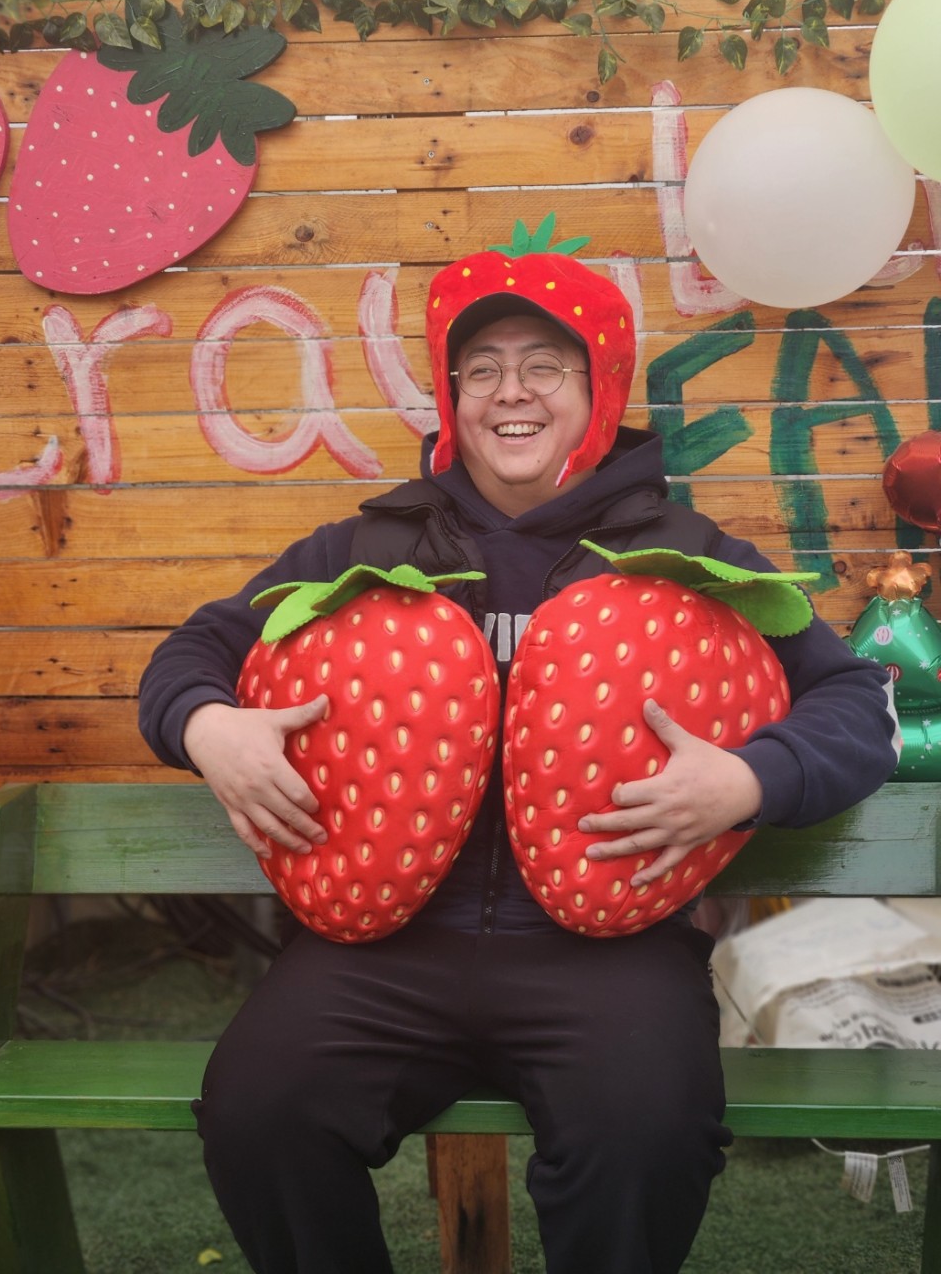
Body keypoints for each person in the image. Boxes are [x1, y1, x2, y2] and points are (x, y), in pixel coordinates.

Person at [138, 222, 900, 1274]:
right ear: (453, 395)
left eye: (547, 365)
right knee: (258, 1110)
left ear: (601, 387)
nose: (512, 392)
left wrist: (748, 777)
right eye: (482, 368)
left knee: (648, 1137)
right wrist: (205, 724)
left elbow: (856, 700)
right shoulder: (369, 546)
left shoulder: (688, 558)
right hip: (382, 945)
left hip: (611, 951)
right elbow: (195, 650)